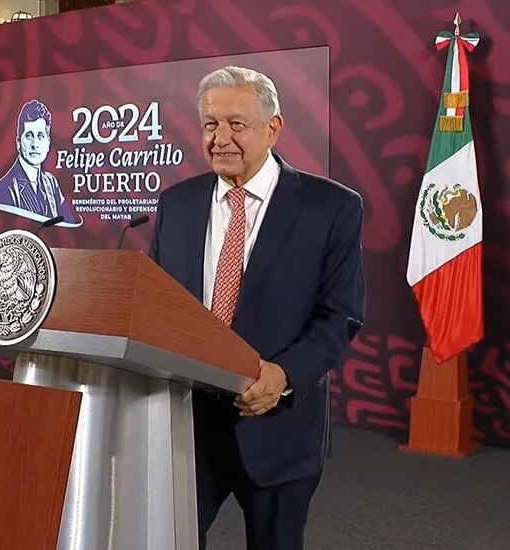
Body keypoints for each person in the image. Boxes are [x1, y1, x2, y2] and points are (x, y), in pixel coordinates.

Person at [148, 66, 366, 550]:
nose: (220, 138)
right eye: (210, 124)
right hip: (186, 427)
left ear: (273, 128)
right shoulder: (176, 204)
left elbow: (340, 315)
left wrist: (283, 377)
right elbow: (156, 306)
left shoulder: (331, 208)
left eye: (236, 124)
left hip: (277, 426)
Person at [0, 99, 82, 227]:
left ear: (48, 143)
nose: (35, 144)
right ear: (18, 143)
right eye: (29, 136)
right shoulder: (5, 189)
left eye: (40, 136)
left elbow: (69, 225)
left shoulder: (51, 183)